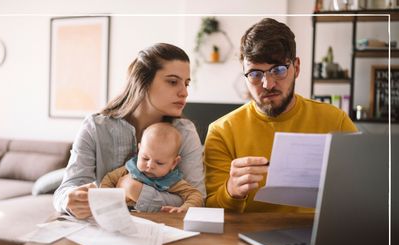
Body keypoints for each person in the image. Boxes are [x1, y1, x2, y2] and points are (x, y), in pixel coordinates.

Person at [204, 18, 358, 213]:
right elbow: (212, 213)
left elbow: (362, 191)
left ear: (297, 68)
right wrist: (231, 191)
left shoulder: (336, 121)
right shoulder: (221, 132)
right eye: (255, 74)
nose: (268, 84)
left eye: (278, 70)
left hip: (317, 236)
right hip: (246, 238)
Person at [53, 43, 205, 218]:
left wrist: (136, 191)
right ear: (143, 82)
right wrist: (70, 200)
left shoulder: (185, 132)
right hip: (102, 232)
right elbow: (64, 190)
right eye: (172, 82)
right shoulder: (95, 127)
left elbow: (198, 198)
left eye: (186, 84)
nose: (184, 92)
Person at [100, 122, 203, 213]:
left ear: (173, 163)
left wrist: (185, 208)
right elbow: (108, 179)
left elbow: (195, 195)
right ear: (139, 150)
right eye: (145, 158)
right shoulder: (130, 168)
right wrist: (105, 200)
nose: (149, 166)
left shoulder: (172, 181)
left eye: (159, 163)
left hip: (156, 221)